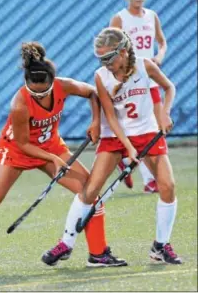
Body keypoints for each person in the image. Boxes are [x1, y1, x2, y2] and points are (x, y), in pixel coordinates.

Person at [0, 42, 126, 276]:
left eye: (44, 91)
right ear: (27, 85)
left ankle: (98, 253)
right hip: (16, 151)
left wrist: (95, 121)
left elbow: (92, 93)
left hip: (51, 146)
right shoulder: (19, 104)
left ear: (53, 81)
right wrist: (53, 158)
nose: (39, 96)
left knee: (90, 192)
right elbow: (22, 144)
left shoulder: (64, 86)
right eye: (34, 92)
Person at [44, 28, 182, 265]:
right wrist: (128, 149)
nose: (105, 63)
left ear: (123, 51)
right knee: (91, 189)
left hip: (147, 131)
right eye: (101, 59)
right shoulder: (101, 76)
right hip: (115, 135)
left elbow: (169, 87)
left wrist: (166, 114)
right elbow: (111, 115)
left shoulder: (145, 66)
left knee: (168, 186)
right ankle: (66, 244)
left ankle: (161, 245)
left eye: (109, 57)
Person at [110, 0, 168, 193]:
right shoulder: (120, 18)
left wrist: (159, 57)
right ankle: (133, 165)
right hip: (129, 78)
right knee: (135, 126)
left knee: (154, 125)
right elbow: (110, 47)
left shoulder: (151, 16)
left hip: (148, 75)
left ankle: (139, 170)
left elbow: (162, 42)